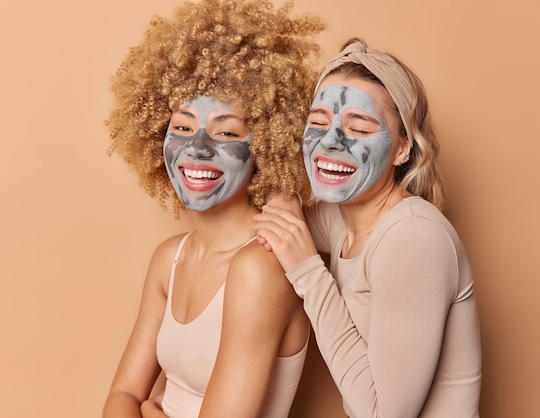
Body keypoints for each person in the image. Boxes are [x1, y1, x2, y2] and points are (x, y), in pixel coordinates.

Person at [102, 1, 324, 417]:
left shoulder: (262, 266)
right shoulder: (170, 258)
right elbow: (120, 399)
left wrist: (151, 412)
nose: (197, 148)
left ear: (265, 147)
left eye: (226, 132)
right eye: (182, 127)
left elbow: (138, 405)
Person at [252, 38, 482, 417]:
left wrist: (308, 272)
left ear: (403, 149)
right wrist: (286, 197)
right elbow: (276, 218)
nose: (330, 141)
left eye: (359, 129)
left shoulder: (413, 236)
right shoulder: (347, 216)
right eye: (318, 123)